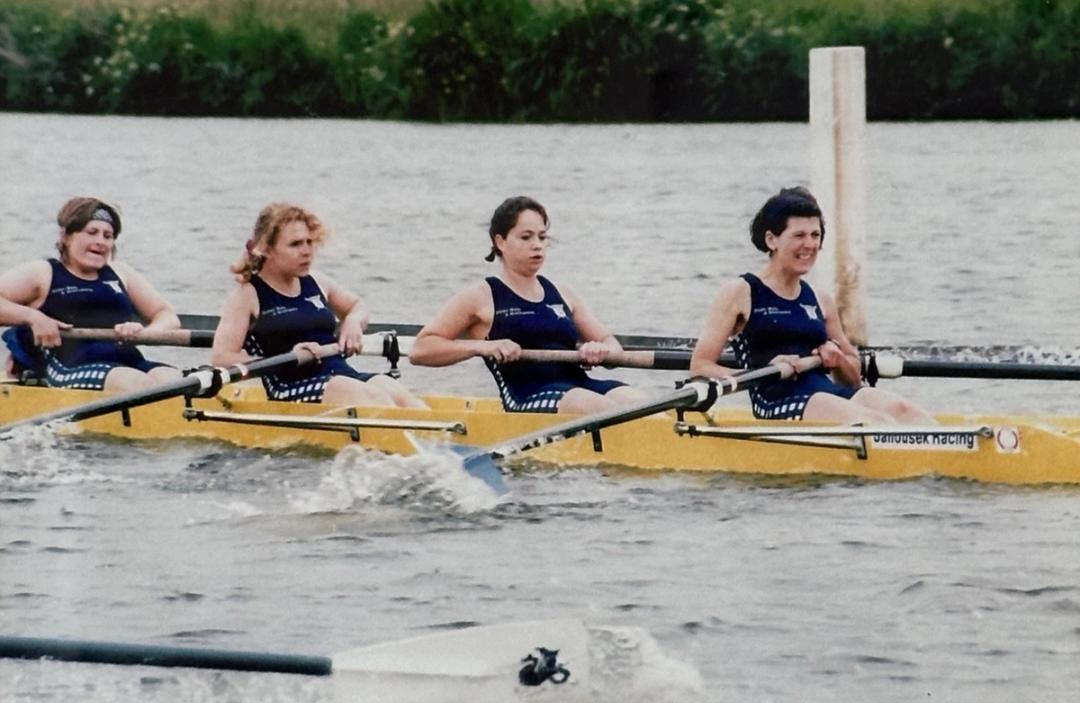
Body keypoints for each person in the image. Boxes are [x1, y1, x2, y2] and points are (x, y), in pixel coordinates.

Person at [689, 186, 934, 424]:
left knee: (906, 413)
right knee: (873, 422)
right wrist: (759, 373)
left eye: (815, 235)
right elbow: (700, 366)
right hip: (777, 402)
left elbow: (853, 379)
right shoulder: (740, 292)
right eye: (799, 236)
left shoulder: (820, 298)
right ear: (771, 239)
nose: (810, 245)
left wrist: (837, 360)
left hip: (828, 395)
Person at [409, 196, 644, 414]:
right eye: (526, 237)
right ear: (500, 241)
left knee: (643, 405)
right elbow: (420, 350)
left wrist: (600, 350)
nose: (537, 245)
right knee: (598, 407)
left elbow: (612, 345)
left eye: (542, 237)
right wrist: (479, 347)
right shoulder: (480, 296)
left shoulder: (564, 293)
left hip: (580, 384)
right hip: (526, 396)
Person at [211, 203, 425, 408]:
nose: (307, 251)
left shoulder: (317, 281)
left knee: (403, 397)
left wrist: (352, 323)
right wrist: (285, 358)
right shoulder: (246, 295)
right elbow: (222, 358)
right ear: (266, 249)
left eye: (309, 242)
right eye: (295, 244)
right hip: (288, 387)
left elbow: (358, 306)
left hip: (342, 374)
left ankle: (436, 444)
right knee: (372, 398)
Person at [0, 197, 181, 392]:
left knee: (172, 380)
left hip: (125, 361)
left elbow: (166, 315)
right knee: (134, 382)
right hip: (66, 366)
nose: (100, 242)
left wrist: (144, 333)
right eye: (92, 233)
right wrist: (33, 317)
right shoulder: (43, 273)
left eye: (108, 236)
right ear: (66, 237)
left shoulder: (120, 273)